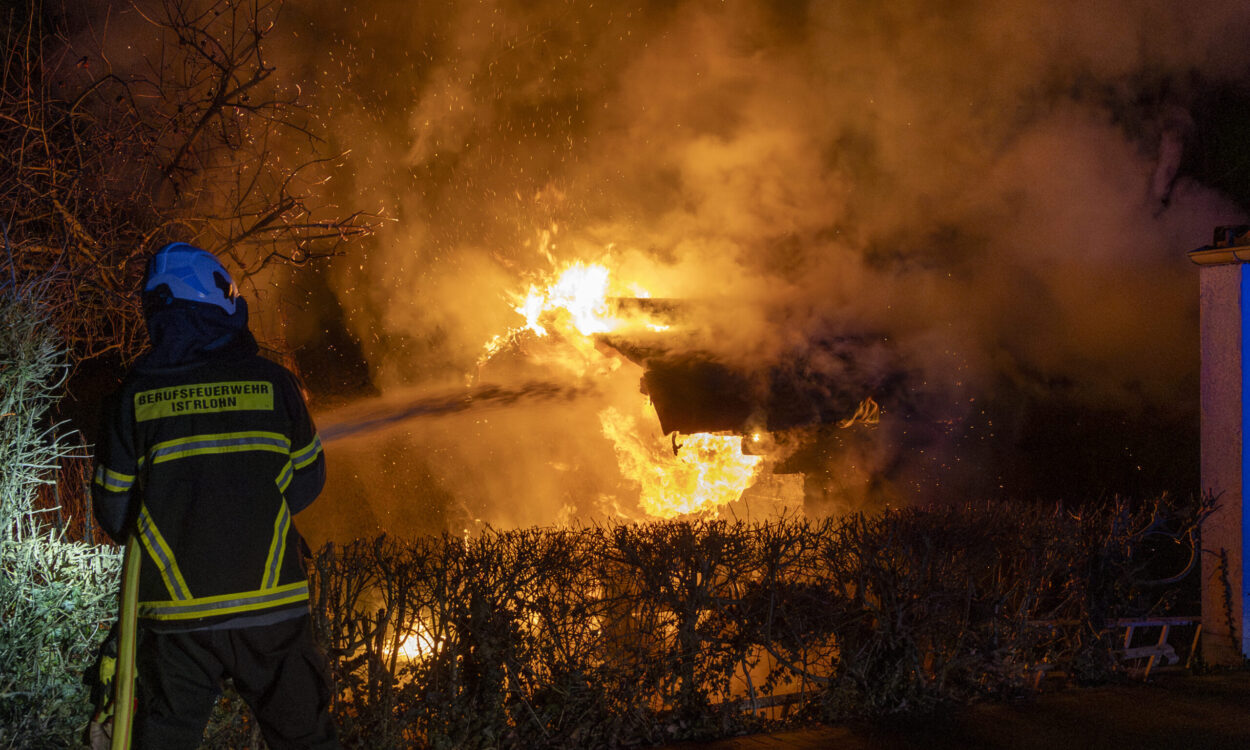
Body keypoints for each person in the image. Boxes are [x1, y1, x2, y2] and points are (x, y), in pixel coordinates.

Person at [91, 242, 339, 749]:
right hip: (273, 610)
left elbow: (115, 512)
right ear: (219, 298)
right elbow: (309, 481)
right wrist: (250, 512)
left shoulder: (131, 399)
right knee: (306, 739)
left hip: (178, 620)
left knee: (162, 738)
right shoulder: (276, 385)